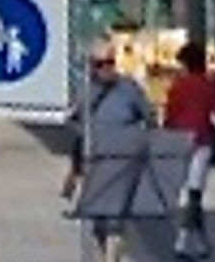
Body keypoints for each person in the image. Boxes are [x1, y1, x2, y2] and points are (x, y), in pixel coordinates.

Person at [63, 45, 153, 208]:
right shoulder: (85, 89)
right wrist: (84, 135)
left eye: (110, 63)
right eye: (100, 64)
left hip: (123, 153)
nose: (106, 68)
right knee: (96, 202)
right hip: (96, 153)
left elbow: (148, 116)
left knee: (118, 201)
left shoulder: (129, 87)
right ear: (92, 66)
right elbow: (73, 119)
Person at [163, 41, 215, 260]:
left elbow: (170, 115)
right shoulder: (209, 85)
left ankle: (186, 238)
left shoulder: (178, 86)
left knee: (184, 191)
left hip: (180, 140)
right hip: (203, 141)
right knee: (195, 192)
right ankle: (194, 238)